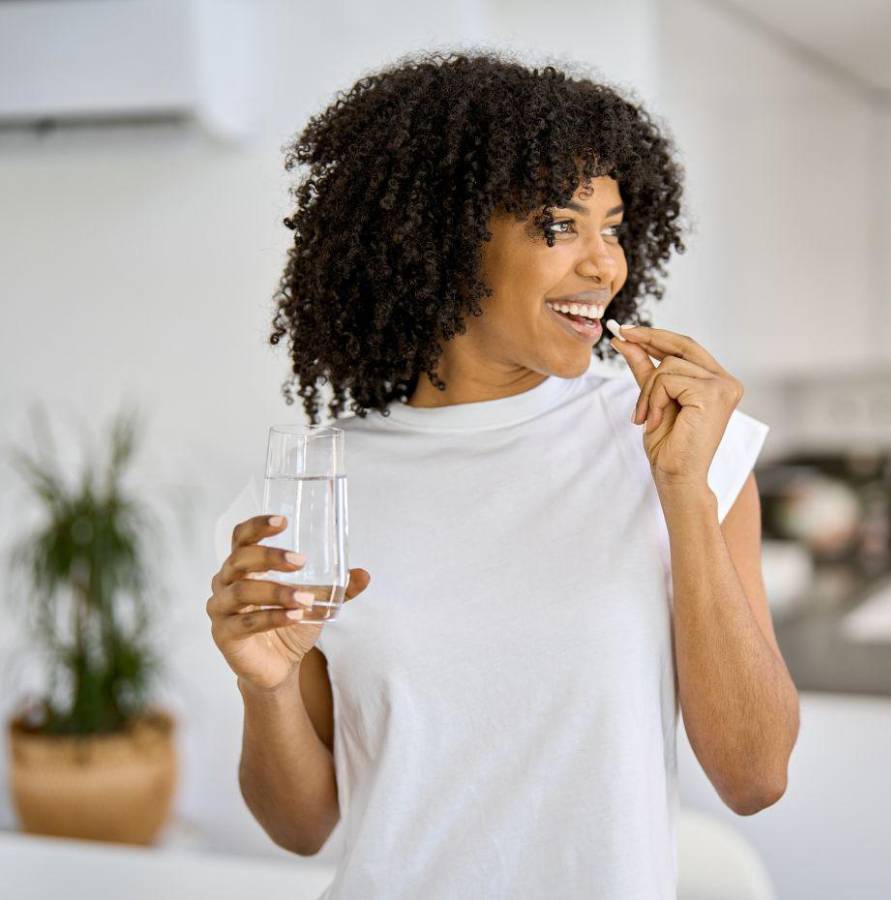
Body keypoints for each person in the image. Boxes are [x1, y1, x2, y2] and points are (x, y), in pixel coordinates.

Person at [207, 49, 799, 899]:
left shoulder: (680, 447)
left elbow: (756, 775)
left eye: (613, 227)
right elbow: (301, 828)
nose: (606, 265)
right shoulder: (311, 487)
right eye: (560, 226)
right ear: (446, 239)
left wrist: (684, 494)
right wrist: (263, 687)